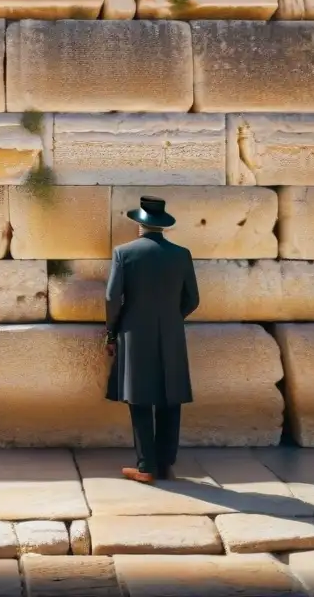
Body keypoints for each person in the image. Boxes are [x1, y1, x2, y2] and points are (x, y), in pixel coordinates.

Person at [105, 195, 199, 483]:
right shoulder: (182, 254)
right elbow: (193, 299)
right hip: (172, 333)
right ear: (163, 225)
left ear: (139, 225)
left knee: (140, 397)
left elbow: (111, 297)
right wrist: (173, 317)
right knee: (171, 399)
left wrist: (112, 331)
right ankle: (166, 464)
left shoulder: (124, 252)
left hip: (134, 334)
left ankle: (146, 466)